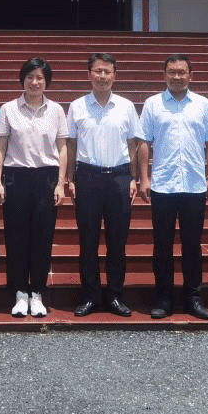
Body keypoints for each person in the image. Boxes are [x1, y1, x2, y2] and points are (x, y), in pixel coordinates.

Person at [139, 54, 208, 321]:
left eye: (182, 72)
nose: (177, 76)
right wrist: (144, 178)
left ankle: (192, 298)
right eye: (172, 72)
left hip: (194, 185)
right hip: (163, 185)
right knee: (162, 245)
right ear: (164, 74)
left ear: (190, 75)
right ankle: (163, 297)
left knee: (192, 245)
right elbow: (144, 142)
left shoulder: (203, 104)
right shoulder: (153, 104)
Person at [65, 52, 143, 318]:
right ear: (89, 74)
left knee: (117, 241)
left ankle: (115, 295)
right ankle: (90, 296)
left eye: (107, 72)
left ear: (114, 75)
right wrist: (70, 179)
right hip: (87, 177)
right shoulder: (77, 106)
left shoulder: (126, 106)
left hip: (118, 178)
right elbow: (71, 144)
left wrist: (133, 177)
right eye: (98, 71)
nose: (102, 76)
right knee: (87, 241)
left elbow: (133, 144)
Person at [0, 56, 69, 318]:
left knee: (42, 237)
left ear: (46, 82)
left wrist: (60, 183)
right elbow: (0, 147)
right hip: (16, 177)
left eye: (40, 78)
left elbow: (62, 148)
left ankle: (37, 293)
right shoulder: (8, 109)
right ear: (22, 80)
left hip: (46, 177)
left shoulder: (56, 110)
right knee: (15, 237)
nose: (34, 82)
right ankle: (19, 293)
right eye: (30, 77)